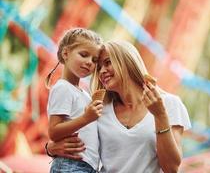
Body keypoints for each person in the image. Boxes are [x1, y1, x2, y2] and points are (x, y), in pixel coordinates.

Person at [46, 40, 191, 173]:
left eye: (108, 63)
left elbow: (171, 168)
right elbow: (71, 136)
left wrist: (160, 116)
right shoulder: (98, 109)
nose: (102, 71)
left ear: (127, 62)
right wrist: (50, 148)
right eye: (99, 67)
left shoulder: (169, 104)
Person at [45, 27, 104, 173]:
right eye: (84, 55)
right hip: (70, 165)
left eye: (95, 59)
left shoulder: (84, 93)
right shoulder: (63, 88)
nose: (90, 62)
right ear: (65, 53)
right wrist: (86, 118)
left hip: (86, 166)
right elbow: (54, 131)